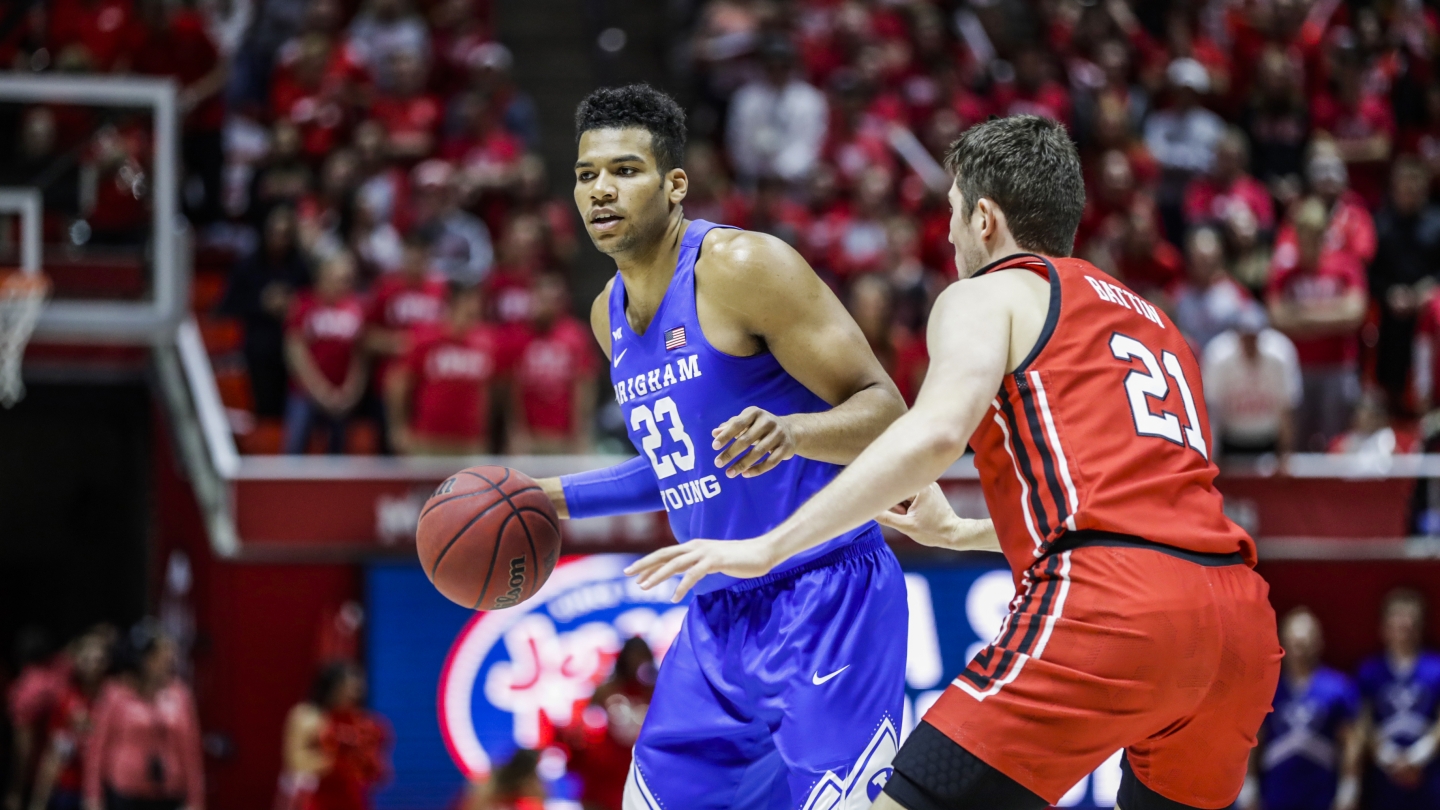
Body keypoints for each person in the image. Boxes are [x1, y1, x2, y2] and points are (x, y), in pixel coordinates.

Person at [629, 115, 1282, 810]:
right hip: (1239, 623)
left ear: (985, 218)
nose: (946, 235)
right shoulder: (1156, 323)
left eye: (950, 213)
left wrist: (770, 546)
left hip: (1112, 612)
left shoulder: (988, 293)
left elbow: (936, 435)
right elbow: (1142, 513)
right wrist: (963, 532)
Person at [533, 85, 909, 809]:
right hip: (718, 617)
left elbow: (886, 410)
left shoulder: (742, 267)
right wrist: (549, 497)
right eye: (586, 175)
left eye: (625, 170)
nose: (601, 191)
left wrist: (794, 432)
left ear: (675, 184)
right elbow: (682, 470)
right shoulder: (605, 314)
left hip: (827, 594)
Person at [1266, 197, 1368, 451]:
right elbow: (1277, 318)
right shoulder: (1283, 271)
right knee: (1296, 443)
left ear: (1326, 232)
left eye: (1316, 233)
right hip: (1296, 369)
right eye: (1304, 233)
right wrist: (1332, 315)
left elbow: (1354, 315)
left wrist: (1302, 316)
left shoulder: (1346, 264)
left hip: (1338, 368)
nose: (1310, 239)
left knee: (1337, 441)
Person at [1242, 607, 1363, 810]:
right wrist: (1248, 790)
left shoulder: (1338, 687)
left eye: (1307, 640)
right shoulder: (1266, 689)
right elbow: (1253, 740)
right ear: (1282, 642)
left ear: (1319, 642)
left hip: (1322, 797)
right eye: (1295, 641)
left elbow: (1351, 743)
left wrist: (1348, 792)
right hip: (1275, 797)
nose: (1300, 647)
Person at [83, 623, 203, 810]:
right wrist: (93, 797)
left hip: (170, 793)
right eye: (161, 656)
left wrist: (196, 800)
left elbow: (191, 751)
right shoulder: (116, 693)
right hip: (125, 794)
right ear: (144, 659)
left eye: (169, 655)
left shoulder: (180, 695)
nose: (168, 660)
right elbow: (97, 748)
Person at [221, 205, 313, 418]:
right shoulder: (247, 266)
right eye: (275, 233)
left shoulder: (300, 268)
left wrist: (293, 304)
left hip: (294, 347)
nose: (279, 239)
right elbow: (226, 307)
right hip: (258, 346)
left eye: (285, 234)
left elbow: (313, 304)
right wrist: (262, 303)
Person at [385, 283, 497, 455]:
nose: (476, 308)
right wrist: (398, 429)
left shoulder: (485, 343)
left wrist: (485, 434)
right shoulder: (426, 339)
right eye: (471, 302)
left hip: (469, 442)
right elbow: (397, 384)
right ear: (454, 304)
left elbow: (485, 392)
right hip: (428, 441)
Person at [1357, 588, 1440, 808]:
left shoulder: (1436, 668)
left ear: (1420, 625)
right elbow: (1363, 722)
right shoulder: (1369, 671)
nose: (1404, 623)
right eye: (1397, 616)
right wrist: (1389, 758)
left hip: (1428, 776)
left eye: (1410, 617)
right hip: (1383, 778)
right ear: (1384, 627)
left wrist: (1417, 757)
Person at [1371, 157, 1440, 411]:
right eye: (1404, 187)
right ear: (1394, 189)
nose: (1409, 193)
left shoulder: (1437, 222)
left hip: (1431, 314)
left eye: (1415, 187)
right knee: (1391, 373)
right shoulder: (1381, 224)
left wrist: (1431, 288)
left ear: (1425, 187)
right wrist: (1388, 293)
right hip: (1392, 315)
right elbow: (1369, 272)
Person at [283, 252, 368, 454]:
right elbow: (295, 351)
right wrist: (320, 391)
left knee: (338, 455)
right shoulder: (304, 304)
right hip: (304, 394)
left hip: (341, 398)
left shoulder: (355, 307)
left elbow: (360, 355)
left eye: (348, 278)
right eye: (340, 278)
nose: (345, 284)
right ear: (323, 276)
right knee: (295, 449)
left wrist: (351, 391)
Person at [275, 662, 388, 810]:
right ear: (332, 687)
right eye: (349, 687)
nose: (356, 693)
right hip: (316, 799)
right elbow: (295, 761)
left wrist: (368, 762)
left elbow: (376, 772)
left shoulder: (364, 723)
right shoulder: (308, 716)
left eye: (358, 687)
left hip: (352, 799)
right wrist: (337, 760)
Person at [505, 275, 597, 455]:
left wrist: (581, 432)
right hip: (529, 438)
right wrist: (515, 431)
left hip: (564, 437)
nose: (545, 305)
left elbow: (584, 386)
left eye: (551, 300)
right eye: (541, 299)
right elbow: (512, 389)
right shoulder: (519, 336)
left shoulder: (575, 335)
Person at [565, 638, 656, 810]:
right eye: (633, 656)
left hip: (642, 762)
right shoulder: (607, 690)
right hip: (609, 764)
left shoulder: (656, 691)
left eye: (641, 656)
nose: (637, 661)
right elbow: (580, 721)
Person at [725, 36, 828, 186]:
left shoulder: (809, 100)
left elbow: (810, 144)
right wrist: (758, 171)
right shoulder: (746, 98)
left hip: (794, 183)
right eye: (771, 66)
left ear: (793, 66)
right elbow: (738, 141)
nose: (777, 71)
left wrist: (781, 172)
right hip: (753, 181)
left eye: (783, 66)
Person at [1202, 307, 1301, 459]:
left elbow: (1286, 407)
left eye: (1254, 336)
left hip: (1268, 437)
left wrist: (1285, 454)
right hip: (1231, 438)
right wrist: (1213, 455)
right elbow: (1213, 409)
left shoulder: (1280, 355)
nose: (1250, 342)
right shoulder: (1218, 357)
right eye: (1245, 336)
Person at [27, 631, 110, 810]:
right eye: (87, 659)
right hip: (70, 789)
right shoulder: (67, 701)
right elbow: (55, 753)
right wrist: (38, 802)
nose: (93, 666)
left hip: (106, 787)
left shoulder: (114, 698)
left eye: (98, 660)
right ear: (78, 662)